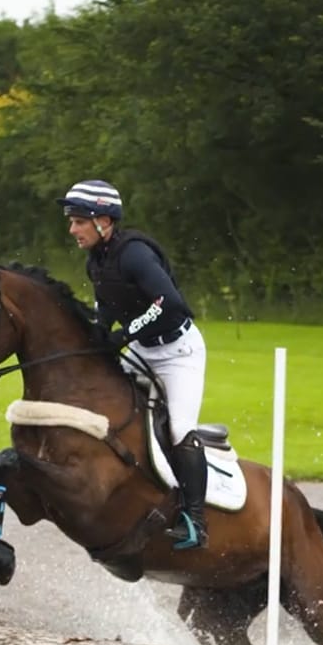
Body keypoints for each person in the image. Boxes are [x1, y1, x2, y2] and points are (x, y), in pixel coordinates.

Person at [56, 179, 209, 549]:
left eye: (79, 221)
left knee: (180, 429)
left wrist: (123, 334)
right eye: (71, 221)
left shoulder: (135, 254)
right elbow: (108, 306)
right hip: (143, 349)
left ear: (103, 221)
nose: (72, 229)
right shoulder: (98, 260)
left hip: (178, 354)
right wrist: (96, 334)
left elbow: (169, 304)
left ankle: (195, 520)